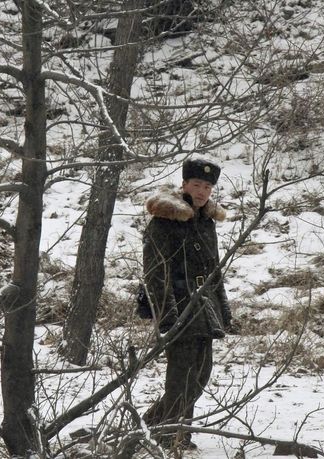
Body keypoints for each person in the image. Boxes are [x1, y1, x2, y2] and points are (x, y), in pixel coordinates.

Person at [141, 156, 234, 450]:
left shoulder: (206, 222)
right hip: (178, 306)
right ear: (184, 184)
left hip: (204, 308)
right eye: (197, 184)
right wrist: (167, 316)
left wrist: (224, 311)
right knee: (181, 374)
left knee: (201, 374)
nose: (202, 191)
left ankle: (154, 426)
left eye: (207, 186)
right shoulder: (164, 221)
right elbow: (155, 272)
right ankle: (172, 435)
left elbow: (214, 270)